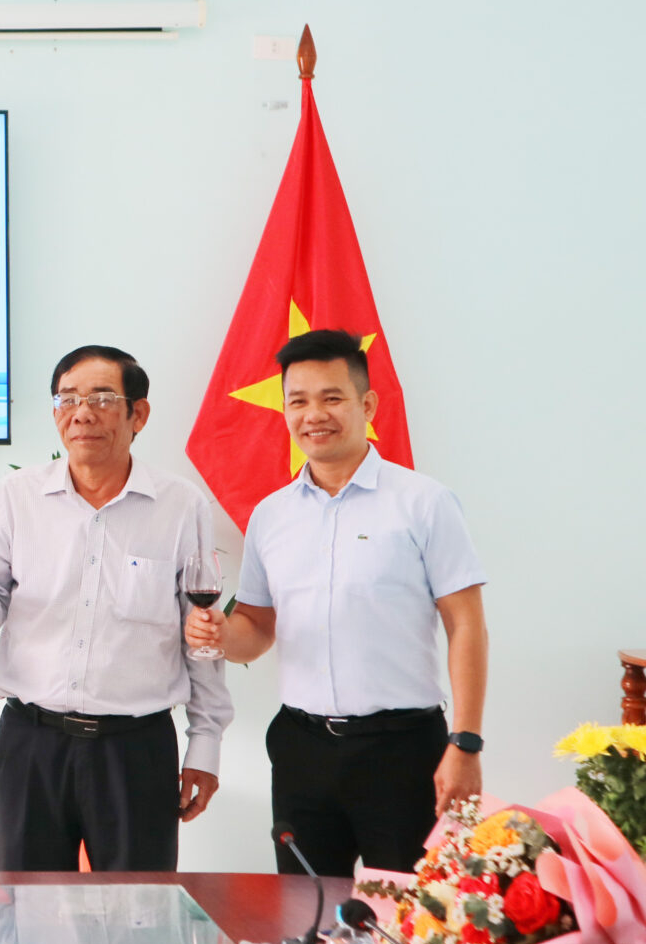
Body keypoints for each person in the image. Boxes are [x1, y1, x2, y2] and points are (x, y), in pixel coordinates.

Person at [186, 328, 489, 875]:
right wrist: (221, 635)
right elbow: (256, 626)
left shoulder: (424, 503)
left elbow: (466, 625)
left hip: (403, 751)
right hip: (301, 750)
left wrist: (465, 743)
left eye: (331, 398)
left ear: (366, 405)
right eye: (298, 401)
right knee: (304, 913)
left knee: (409, 915)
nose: (313, 415)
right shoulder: (271, 515)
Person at [0, 345, 233, 872]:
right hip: (32, 744)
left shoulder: (180, 505)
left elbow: (201, 634)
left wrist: (205, 745)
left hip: (135, 750)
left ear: (138, 414)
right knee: (25, 908)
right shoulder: (17, 496)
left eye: (101, 399)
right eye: (67, 399)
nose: (81, 414)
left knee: (140, 912)